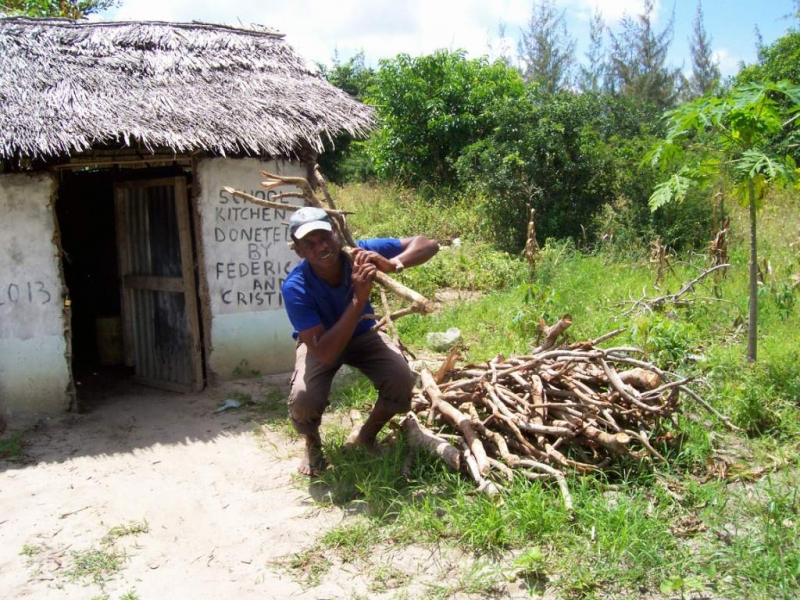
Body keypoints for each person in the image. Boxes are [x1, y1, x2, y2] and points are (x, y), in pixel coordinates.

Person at [281, 206, 439, 476]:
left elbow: (428, 244)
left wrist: (394, 264)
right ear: (299, 251)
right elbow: (325, 353)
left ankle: (366, 435)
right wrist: (358, 299)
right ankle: (312, 443)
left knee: (401, 377)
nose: (321, 247)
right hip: (322, 344)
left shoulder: (358, 253)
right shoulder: (296, 287)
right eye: (310, 243)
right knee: (304, 397)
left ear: (336, 234)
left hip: (363, 336)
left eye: (325, 237)